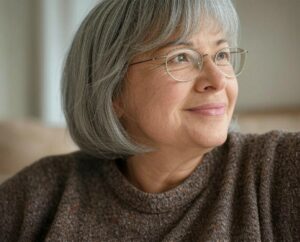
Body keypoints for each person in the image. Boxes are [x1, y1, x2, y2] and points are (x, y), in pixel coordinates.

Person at [0, 0, 299, 241]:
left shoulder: (279, 170)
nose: (218, 79)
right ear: (112, 90)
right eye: (181, 57)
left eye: (221, 54)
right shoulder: (41, 195)